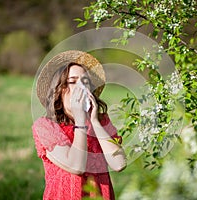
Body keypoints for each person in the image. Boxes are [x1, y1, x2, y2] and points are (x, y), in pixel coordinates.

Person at [32, 50, 127, 200]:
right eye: (73, 81)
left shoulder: (101, 122)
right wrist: (81, 121)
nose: (81, 88)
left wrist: (95, 122)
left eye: (85, 82)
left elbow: (119, 163)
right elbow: (76, 166)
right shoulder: (46, 127)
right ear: (59, 89)